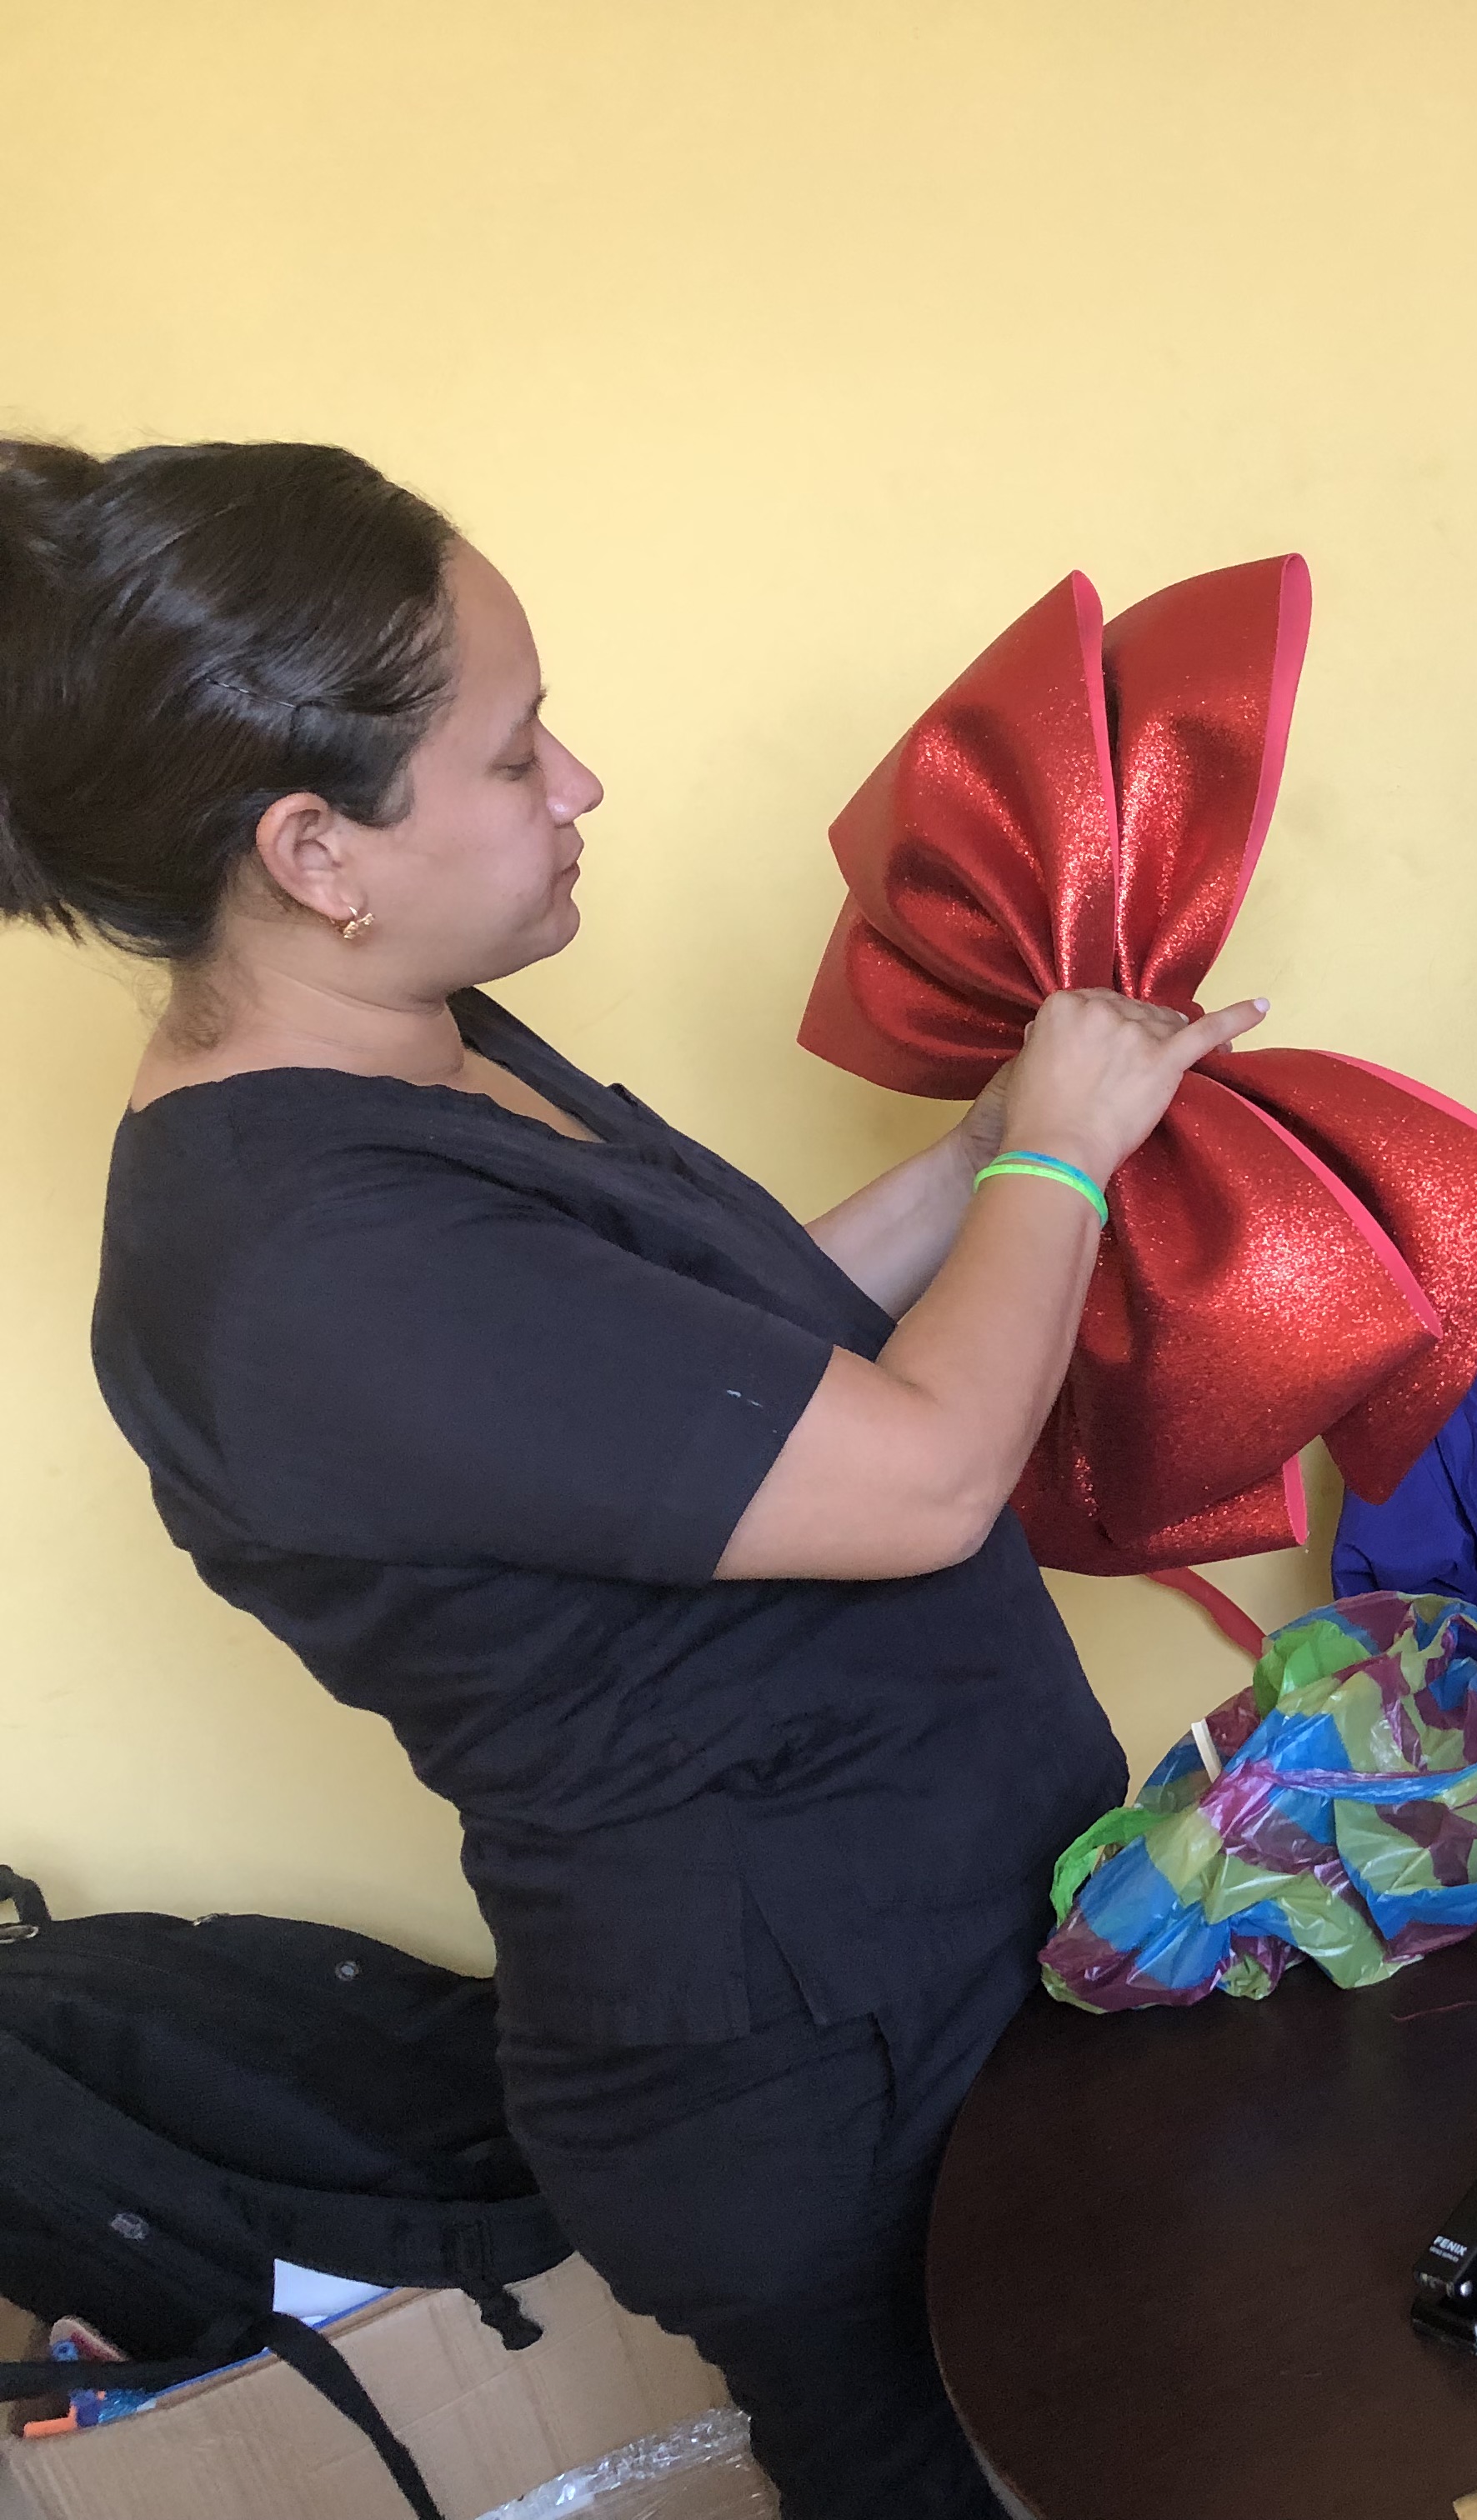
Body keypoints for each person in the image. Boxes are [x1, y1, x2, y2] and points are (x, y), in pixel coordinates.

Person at [0, 438, 1262, 2518]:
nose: (579, 784)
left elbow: (710, 1381)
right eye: (515, 756)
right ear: (316, 852)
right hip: (811, 2072)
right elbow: (925, 1478)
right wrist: (1058, 1157)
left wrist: (979, 1152)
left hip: (927, 1953)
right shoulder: (312, 1262)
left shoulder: (414, 1039)